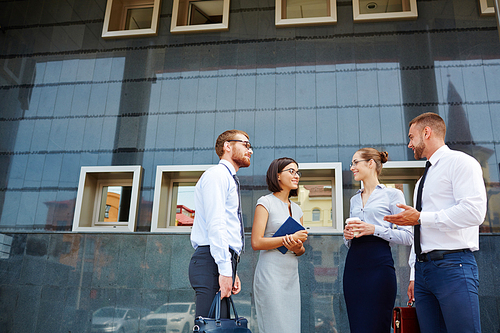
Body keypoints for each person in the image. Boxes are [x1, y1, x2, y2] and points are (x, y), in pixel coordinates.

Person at [384, 112, 487, 333]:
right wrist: (413, 275)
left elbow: (474, 212)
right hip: (423, 272)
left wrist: (421, 217)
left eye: (412, 137)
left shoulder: (461, 163)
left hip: (453, 265)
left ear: (427, 132)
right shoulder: (423, 179)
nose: (410, 144)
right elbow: (418, 231)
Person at [343, 148, 413, 333]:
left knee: (377, 324)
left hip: (379, 266)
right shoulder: (354, 200)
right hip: (354, 265)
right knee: (357, 326)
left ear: (371, 163)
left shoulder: (393, 195)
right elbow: (348, 239)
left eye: (355, 162)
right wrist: (347, 235)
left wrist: (374, 229)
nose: (352, 167)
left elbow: (408, 236)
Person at [189, 129, 253, 318]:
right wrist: (225, 269)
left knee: (219, 327)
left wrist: (232, 269)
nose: (250, 150)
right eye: (246, 145)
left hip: (219, 261)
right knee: (210, 328)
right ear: (227, 146)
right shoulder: (217, 175)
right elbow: (216, 224)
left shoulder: (227, 178)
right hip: (211, 261)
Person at [251, 157, 309, 333]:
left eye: (297, 172)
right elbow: (256, 242)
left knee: (291, 327)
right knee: (273, 326)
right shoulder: (265, 202)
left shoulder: (297, 209)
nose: (296, 175)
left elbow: (301, 250)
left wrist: (297, 246)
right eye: (291, 171)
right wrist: (288, 238)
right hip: (271, 275)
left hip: (291, 275)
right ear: (277, 176)